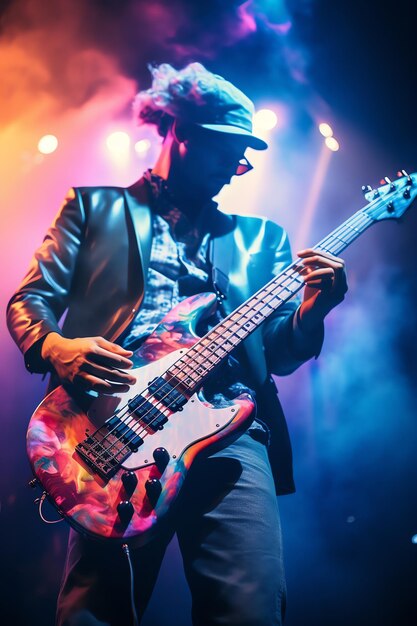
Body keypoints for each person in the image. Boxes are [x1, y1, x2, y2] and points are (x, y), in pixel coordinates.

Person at [7, 62, 347, 626]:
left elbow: (282, 356)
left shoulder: (263, 239)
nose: (238, 170)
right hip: (114, 422)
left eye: (245, 157)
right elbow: (30, 299)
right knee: (95, 610)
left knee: (251, 609)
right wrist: (54, 346)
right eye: (228, 153)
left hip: (231, 428)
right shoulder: (96, 208)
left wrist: (316, 310)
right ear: (182, 133)